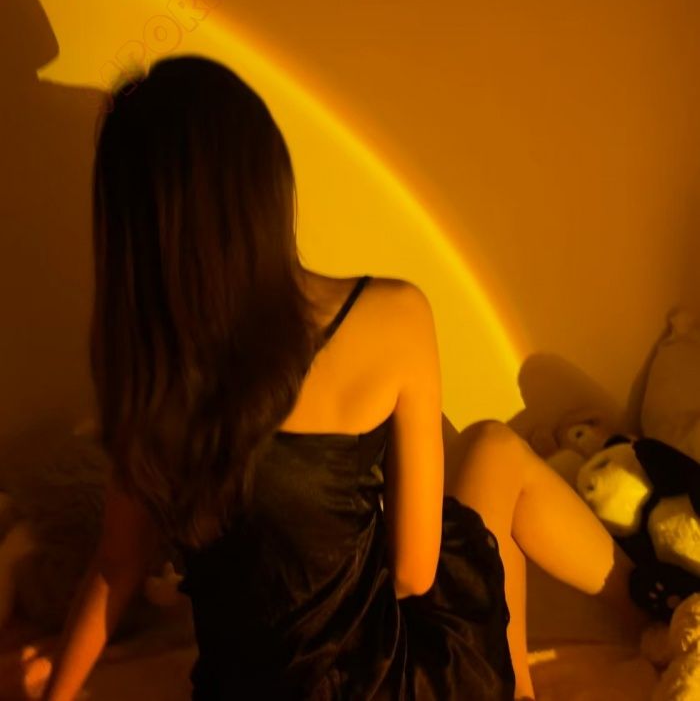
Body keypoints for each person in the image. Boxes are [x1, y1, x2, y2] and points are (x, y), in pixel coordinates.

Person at [39, 55, 647, 701]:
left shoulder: (146, 382)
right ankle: (653, 607)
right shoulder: (390, 315)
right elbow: (413, 573)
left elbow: (116, 566)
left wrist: (55, 694)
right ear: (267, 186)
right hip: (383, 685)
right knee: (494, 450)